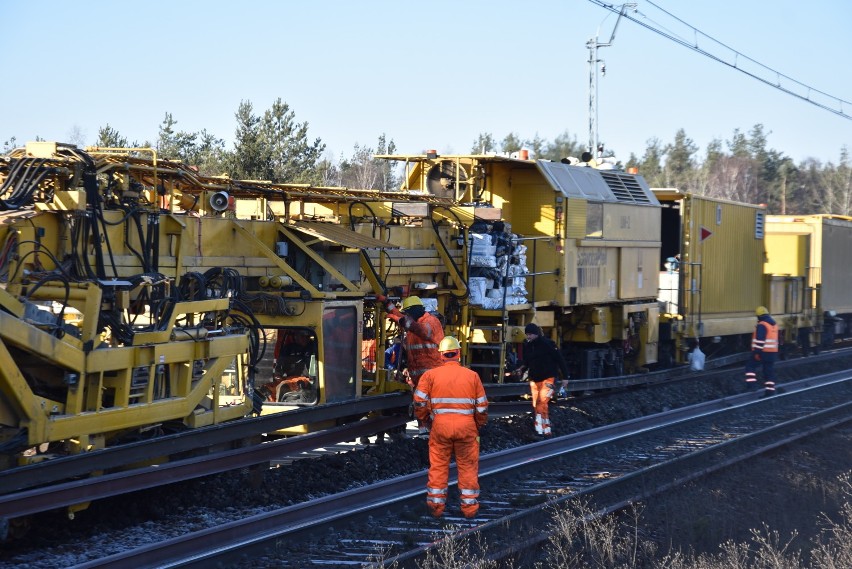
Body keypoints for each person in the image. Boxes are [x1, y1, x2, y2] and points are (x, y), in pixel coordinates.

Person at [413, 336, 488, 518]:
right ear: (458, 354)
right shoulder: (472, 376)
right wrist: (477, 424)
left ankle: (435, 508)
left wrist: (425, 420)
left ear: (441, 356)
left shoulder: (430, 376)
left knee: (438, 467)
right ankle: (469, 510)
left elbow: (419, 402)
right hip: (466, 428)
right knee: (468, 468)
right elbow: (482, 406)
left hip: (440, 428)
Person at [378, 295, 445, 435]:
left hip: (433, 374)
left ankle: (436, 433)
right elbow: (399, 315)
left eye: (408, 313)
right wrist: (386, 302)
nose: (406, 315)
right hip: (418, 377)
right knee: (420, 405)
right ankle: (424, 433)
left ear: (415, 310)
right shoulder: (413, 320)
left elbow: (418, 329)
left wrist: (400, 320)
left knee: (431, 405)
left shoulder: (431, 322)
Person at [517, 323, 568, 437]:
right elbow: (528, 361)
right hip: (534, 380)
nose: (528, 337)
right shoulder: (529, 346)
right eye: (527, 334)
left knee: (541, 403)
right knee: (538, 404)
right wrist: (523, 368)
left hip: (548, 379)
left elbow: (560, 360)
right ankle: (545, 430)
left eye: (530, 334)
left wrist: (565, 377)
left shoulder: (548, 344)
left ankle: (539, 430)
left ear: (536, 334)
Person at [745, 306, 779, 396]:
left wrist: (757, 352)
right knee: (768, 371)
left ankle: (752, 386)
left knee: (750, 367)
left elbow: (760, 340)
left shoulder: (762, 325)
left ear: (759, 316)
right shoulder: (774, 324)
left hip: (763, 352)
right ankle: (770, 391)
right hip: (772, 353)